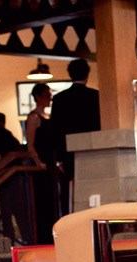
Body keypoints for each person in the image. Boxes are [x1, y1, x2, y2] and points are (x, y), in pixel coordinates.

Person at [49, 58, 100, 214]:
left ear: (70, 74)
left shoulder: (59, 99)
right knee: (93, 191)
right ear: (87, 74)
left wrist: (59, 158)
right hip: (92, 151)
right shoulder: (95, 96)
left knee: (67, 193)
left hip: (68, 153)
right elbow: (100, 125)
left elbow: (55, 130)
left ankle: (68, 222)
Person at [25, 83, 60, 244]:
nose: (50, 98)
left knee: (53, 201)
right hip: (43, 166)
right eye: (47, 95)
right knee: (43, 203)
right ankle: (43, 238)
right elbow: (30, 144)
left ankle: (52, 236)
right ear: (39, 97)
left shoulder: (47, 117)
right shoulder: (34, 117)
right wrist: (38, 162)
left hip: (51, 163)